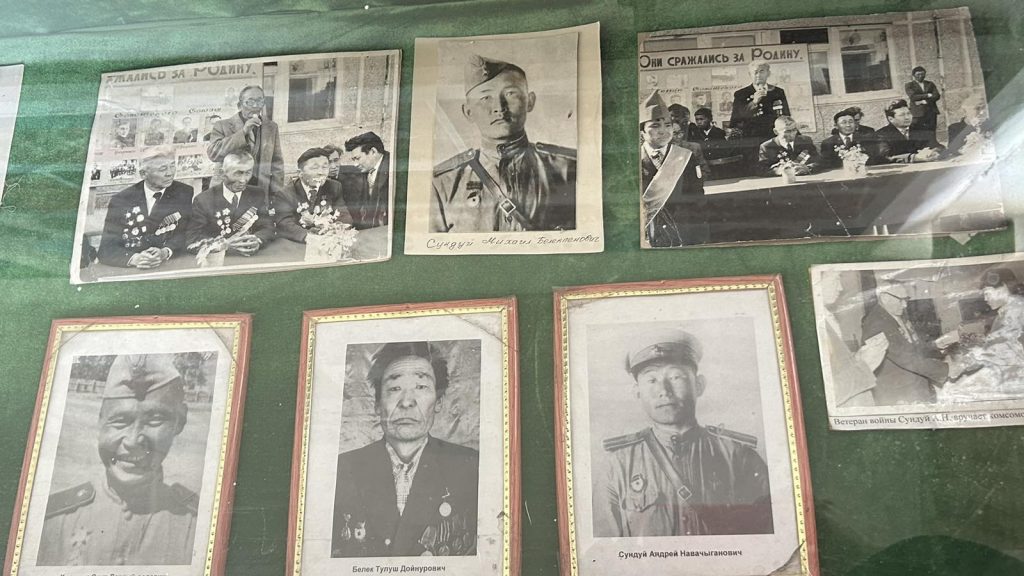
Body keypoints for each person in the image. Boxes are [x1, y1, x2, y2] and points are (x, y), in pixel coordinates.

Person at [594, 328, 773, 537]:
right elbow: (606, 550)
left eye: (676, 377)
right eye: (652, 380)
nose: (664, 390)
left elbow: (767, 541)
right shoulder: (617, 466)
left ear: (699, 385)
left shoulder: (739, 457)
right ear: (637, 392)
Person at [37, 355, 198, 565]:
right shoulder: (51, 522)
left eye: (155, 420)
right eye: (120, 421)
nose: (133, 441)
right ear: (100, 420)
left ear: (179, 422)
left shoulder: (197, 527)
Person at [332, 342, 478, 557]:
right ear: (377, 404)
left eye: (421, 387)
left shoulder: (472, 468)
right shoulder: (341, 470)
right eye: (394, 388)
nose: (407, 402)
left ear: (438, 401)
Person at [431, 54, 576, 233]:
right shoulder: (442, 183)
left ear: (530, 101)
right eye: (485, 98)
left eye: (510, 93)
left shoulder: (569, 169)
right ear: (468, 112)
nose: (499, 107)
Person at [97, 146, 194, 269]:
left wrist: (165, 251)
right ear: (143, 174)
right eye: (163, 169)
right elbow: (106, 248)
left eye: (172, 166)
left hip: (168, 265)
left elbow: (185, 233)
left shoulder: (183, 192)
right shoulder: (121, 200)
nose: (170, 173)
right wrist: (135, 259)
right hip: (133, 269)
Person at [861, 281, 949, 405]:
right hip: (900, 394)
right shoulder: (876, 324)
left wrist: (934, 345)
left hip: (916, 384)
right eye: (900, 300)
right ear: (885, 298)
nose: (905, 305)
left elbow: (911, 346)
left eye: (906, 299)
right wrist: (947, 369)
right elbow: (905, 358)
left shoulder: (896, 314)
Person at [639, 90, 707, 247]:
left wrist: (700, 239)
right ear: (642, 132)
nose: (663, 131)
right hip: (646, 235)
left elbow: (697, 200)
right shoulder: (634, 160)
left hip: (682, 232)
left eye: (668, 125)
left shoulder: (685, 157)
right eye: (655, 125)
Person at [206, 85, 284, 206]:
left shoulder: (271, 127)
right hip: (228, 189)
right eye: (250, 102)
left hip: (259, 191)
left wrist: (277, 195)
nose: (255, 106)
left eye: (260, 101)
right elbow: (213, 154)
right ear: (240, 104)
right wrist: (243, 132)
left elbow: (277, 164)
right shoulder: (222, 125)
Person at [186, 152, 275, 256]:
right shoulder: (203, 200)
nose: (243, 180)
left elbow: (267, 227)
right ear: (222, 173)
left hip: (250, 256)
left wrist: (257, 240)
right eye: (238, 173)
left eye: (248, 173)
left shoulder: (257, 194)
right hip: (219, 258)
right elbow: (193, 238)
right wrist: (223, 245)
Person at [820, 273, 888, 407]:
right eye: (835, 279)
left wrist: (858, 357)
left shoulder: (826, 316)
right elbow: (828, 392)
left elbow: (836, 366)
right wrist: (865, 367)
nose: (840, 288)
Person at [273, 147, 353, 243]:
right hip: (299, 243)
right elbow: (284, 224)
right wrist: (310, 237)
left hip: (329, 240)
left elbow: (344, 216)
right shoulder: (285, 194)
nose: (321, 173)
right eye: (315, 168)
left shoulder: (334, 187)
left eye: (325, 167)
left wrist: (333, 229)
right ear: (300, 173)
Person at [730, 60, 790, 172]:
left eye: (762, 71)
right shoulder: (741, 94)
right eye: (755, 72)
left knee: (776, 168)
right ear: (750, 74)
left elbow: (786, 116)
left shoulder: (778, 92)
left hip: (773, 137)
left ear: (768, 73)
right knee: (754, 171)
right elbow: (736, 119)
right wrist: (754, 102)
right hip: (751, 139)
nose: (758, 75)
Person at [342, 132, 391, 229]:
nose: (355, 164)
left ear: (373, 151)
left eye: (357, 158)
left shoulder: (393, 169)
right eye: (353, 160)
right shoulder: (366, 170)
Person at [873, 99, 944, 164]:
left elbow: (938, 146)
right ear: (891, 119)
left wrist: (934, 151)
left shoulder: (920, 129)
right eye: (902, 115)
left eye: (909, 113)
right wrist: (914, 158)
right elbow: (885, 157)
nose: (907, 117)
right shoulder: (881, 135)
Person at [905, 66, 941, 140]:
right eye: (918, 74)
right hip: (918, 112)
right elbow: (913, 97)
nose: (920, 76)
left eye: (922, 74)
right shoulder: (909, 85)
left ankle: (932, 143)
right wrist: (927, 95)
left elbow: (936, 96)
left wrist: (924, 101)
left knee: (931, 129)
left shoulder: (930, 84)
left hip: (931, 111)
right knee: (919, 131)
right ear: (913, 75)